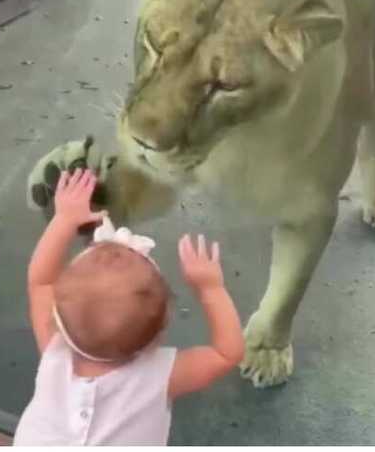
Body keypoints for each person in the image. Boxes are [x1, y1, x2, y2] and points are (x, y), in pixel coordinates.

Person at [14, 168, 244, 445]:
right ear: (159, 334)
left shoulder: (55, 350)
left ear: (56, 319)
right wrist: (211, 289)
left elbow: (40, 281)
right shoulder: (159, 377)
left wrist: (63, 219)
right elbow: (227, 353)